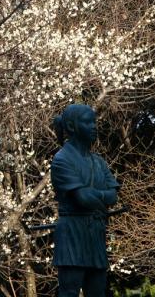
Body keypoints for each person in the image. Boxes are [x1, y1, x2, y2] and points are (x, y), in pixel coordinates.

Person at [51, 104, 120, 297]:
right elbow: (82, 198)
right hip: (72, 232)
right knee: (69, 291)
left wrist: (94, 196)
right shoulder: (62, 159)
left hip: (95, 233)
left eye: (94, 122)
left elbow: (113, 196)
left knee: (98, 290)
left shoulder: (98, 161)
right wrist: (100, 196)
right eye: (87, 122)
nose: (94, 126)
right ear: (72, 126)